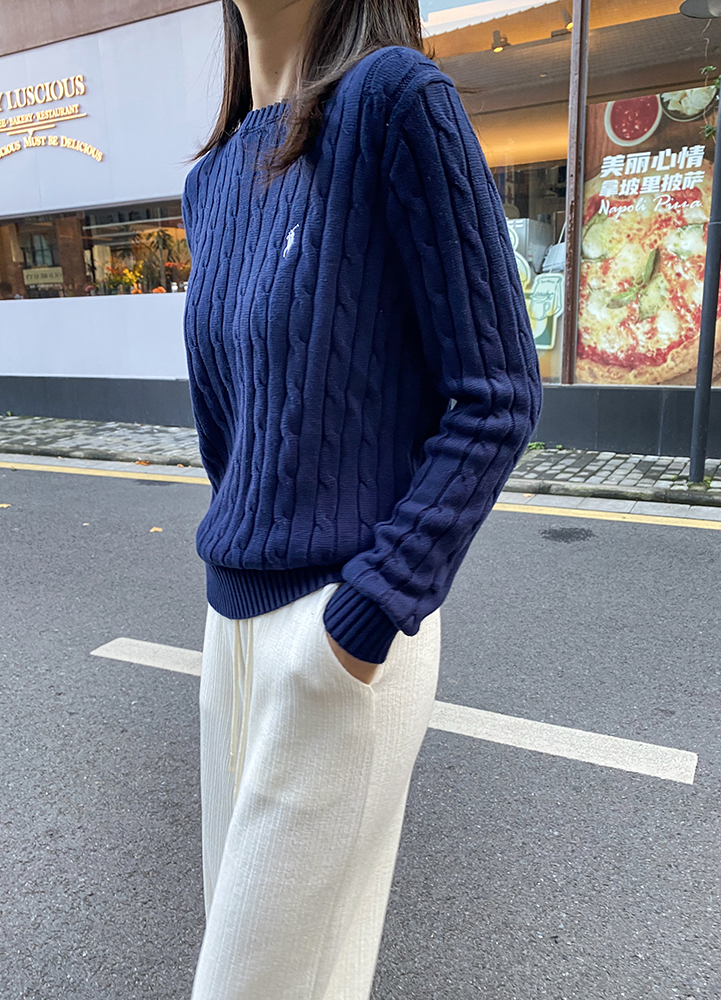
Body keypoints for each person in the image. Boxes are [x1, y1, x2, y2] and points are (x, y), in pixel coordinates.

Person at [181, 0, 542, 996]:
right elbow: (232, 432)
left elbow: (498, 393)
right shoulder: (211, 178)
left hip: (337, 632)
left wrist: (360, 621)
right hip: (228, 630)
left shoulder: (393, 100)